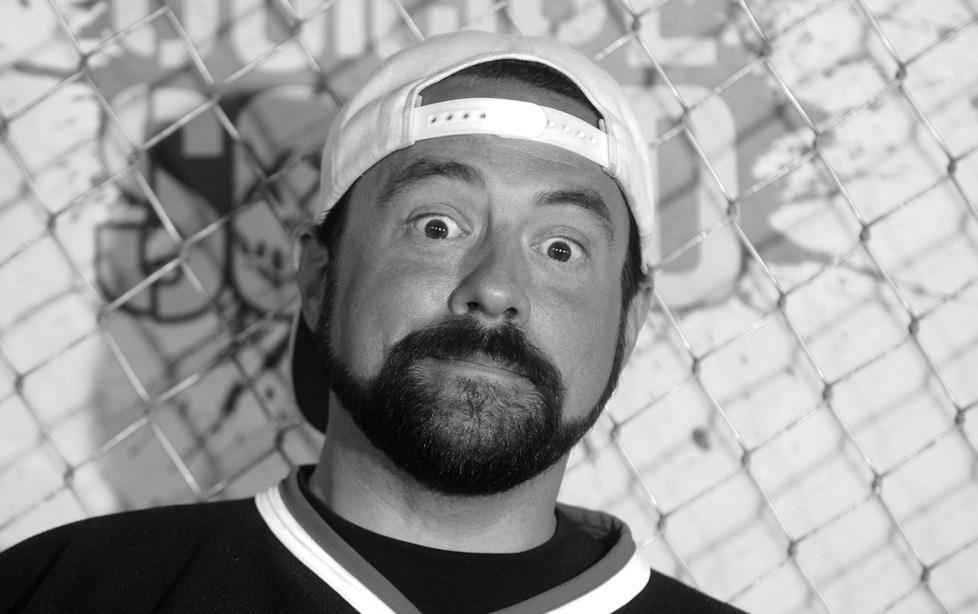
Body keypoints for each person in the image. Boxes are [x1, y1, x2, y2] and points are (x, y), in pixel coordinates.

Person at [0, 31, 745, 613]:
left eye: (561, 248)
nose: (494, 289)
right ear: (319, 278)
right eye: (437, 226)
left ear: (631, 320)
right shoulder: (64, 590)